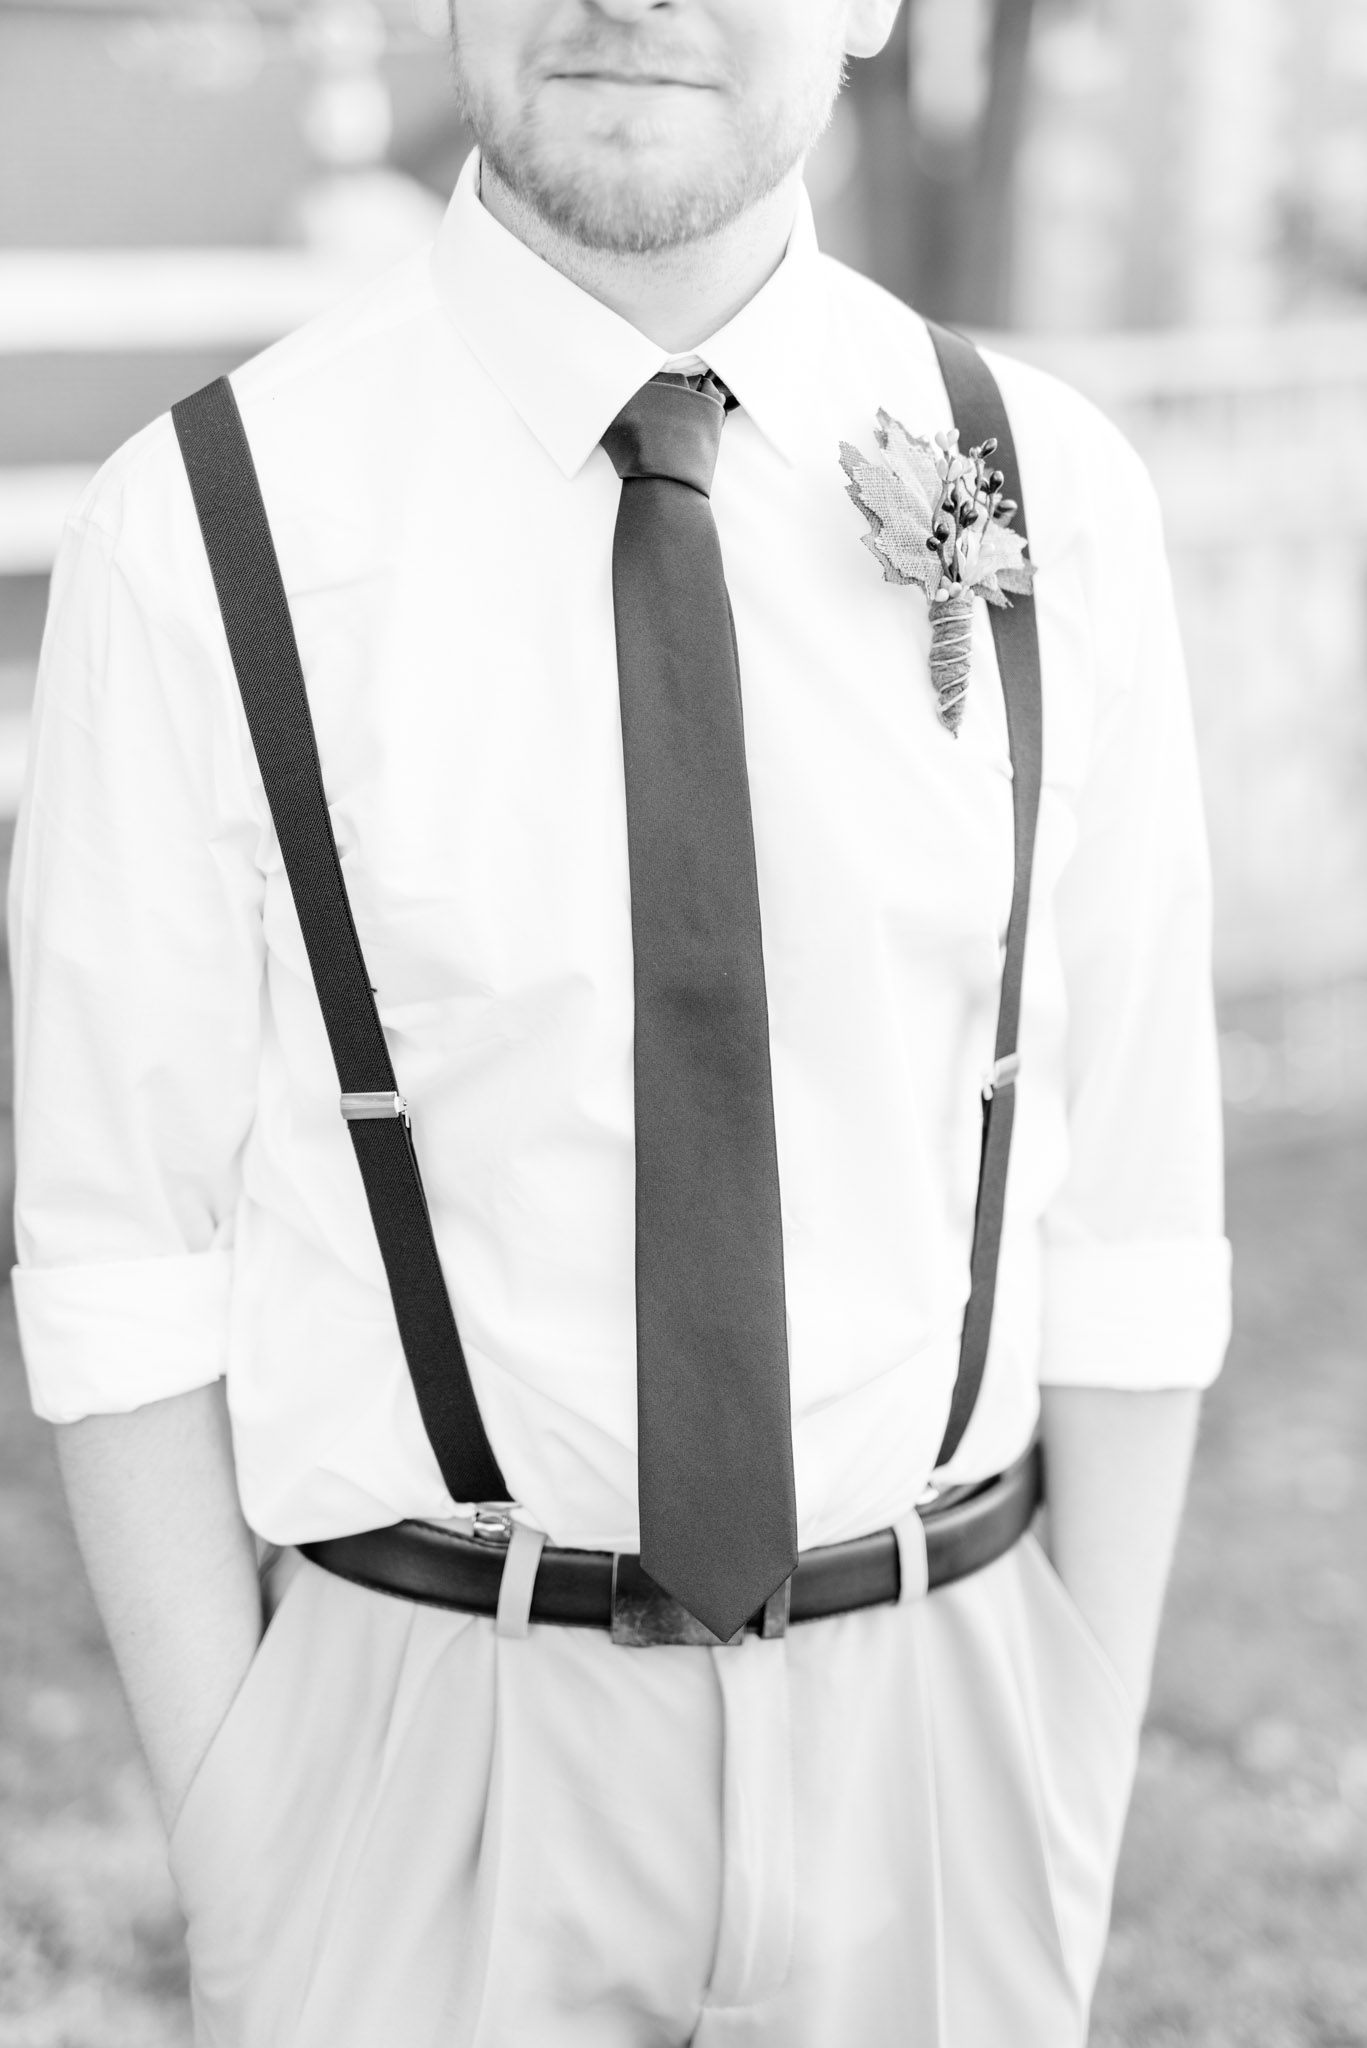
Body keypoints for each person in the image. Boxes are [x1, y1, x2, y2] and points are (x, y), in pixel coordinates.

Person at [10, 2, 1231, 2042]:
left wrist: (1065, 1772)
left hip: (938, 1738)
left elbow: (1132, 1199)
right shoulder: (208, 523)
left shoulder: (1058, 498)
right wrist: (250, 1836)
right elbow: (124, 1250)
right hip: (412, 1766)